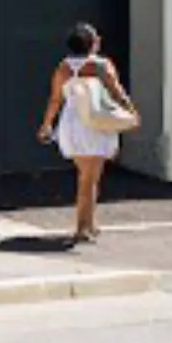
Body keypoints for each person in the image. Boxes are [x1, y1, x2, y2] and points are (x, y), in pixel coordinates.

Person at [37, 23, 135, 244]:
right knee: (89, 178)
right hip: (94, 123)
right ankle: (82, 228)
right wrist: (131, 112)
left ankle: (89, 223)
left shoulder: (63, 67)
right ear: (92, 43)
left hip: (72, 123)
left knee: (87, 176)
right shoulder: (101, 65)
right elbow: (117, 92)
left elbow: (55, 99)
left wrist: (47, 124)